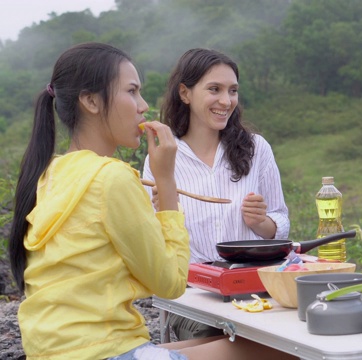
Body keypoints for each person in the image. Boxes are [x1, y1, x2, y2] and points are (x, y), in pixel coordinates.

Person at [8, 42, 293, 360]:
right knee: (284, 351)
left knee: (248, 345)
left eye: (233, 91)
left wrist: (263, 222)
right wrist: (167, 183)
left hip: (58, 350)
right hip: (106, 350)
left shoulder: (53, 172)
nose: (143, 106)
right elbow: (170, 283)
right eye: (131, 92)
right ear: (90, 101)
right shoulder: (113, 177)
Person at [141, 48, 289, 340]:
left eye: (232, 91)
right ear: (185, 93)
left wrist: (261, 223)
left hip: (255, 290)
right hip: (193, 298)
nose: (226, 101)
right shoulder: (162, 157)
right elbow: (154, 246)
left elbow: (280, 222)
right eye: (214, 89)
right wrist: (160, 212)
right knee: (222, 342)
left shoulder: (256, 148)